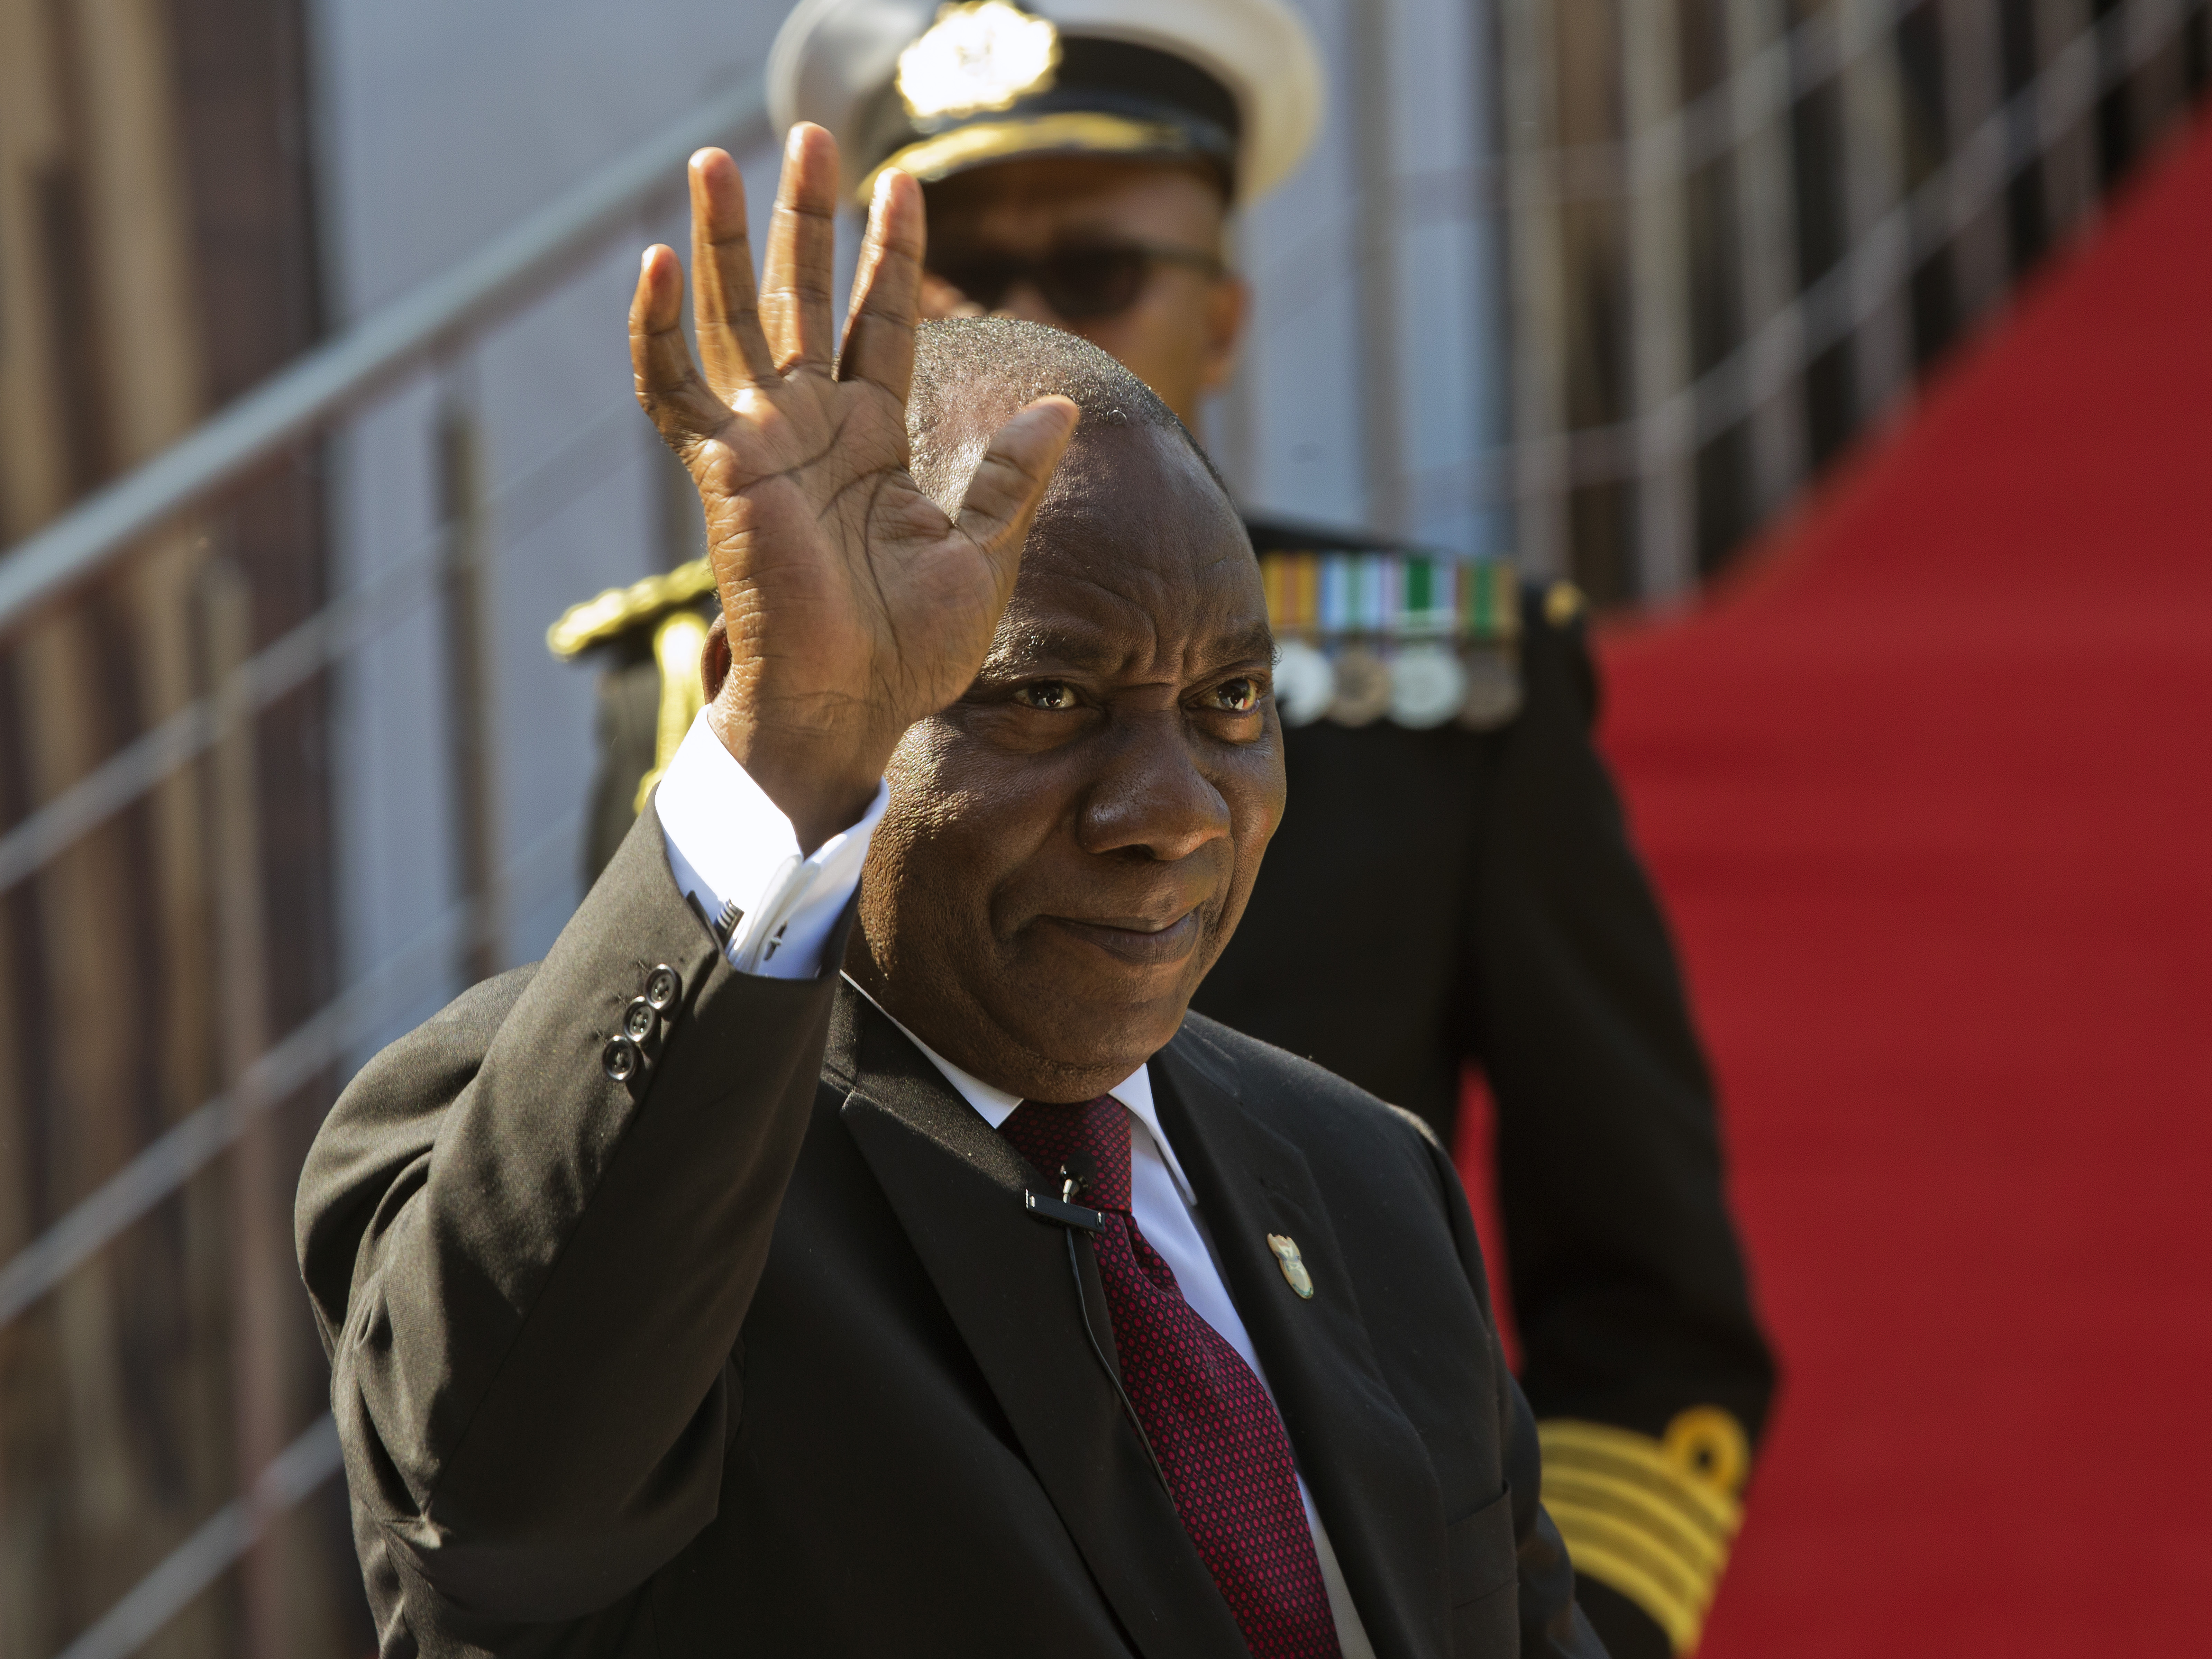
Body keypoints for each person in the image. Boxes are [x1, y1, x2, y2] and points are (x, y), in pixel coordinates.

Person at [545, 5, 1773, 1652]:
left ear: (1227, 313)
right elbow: (595, 1236)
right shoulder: (720, 692)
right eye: (957, 276)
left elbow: (1647, 1299)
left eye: (1102, 276)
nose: (1029, 331)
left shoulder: (1447, 692)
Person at [302, 129, 1603, 1658]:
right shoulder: (569, 1156)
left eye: (1232, 700)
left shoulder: (1365, 1177)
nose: (1171, 812)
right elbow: (506, 1511)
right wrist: (790, 752)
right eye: (1045, 697)